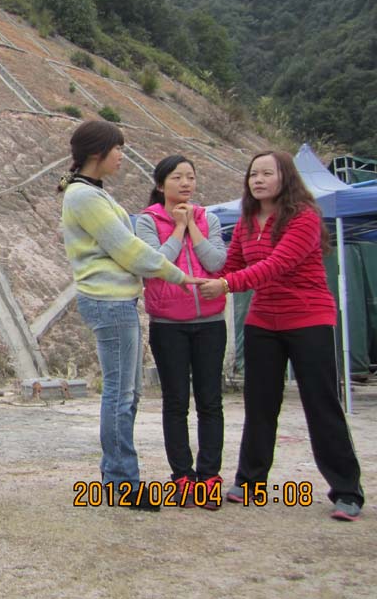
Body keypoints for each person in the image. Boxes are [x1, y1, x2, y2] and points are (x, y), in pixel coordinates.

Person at [198, 151, 365, 521]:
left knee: (321, 405)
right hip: (263, 322)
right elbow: (232, 265)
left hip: (308, 319)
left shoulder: (303, 216)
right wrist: (197, 278)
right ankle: (250, 482)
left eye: (266, 173)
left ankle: (347, 492)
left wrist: (225, 285)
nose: (257, 180)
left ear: (285, 177)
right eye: (253, 174)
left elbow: (275, 265)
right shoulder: (246, 221)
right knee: (259, 404)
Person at [58, 121, 203, 511]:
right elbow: (128, 249)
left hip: (118, 301)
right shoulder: (84, 196)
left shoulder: (93, 192)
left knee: (127, 393)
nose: (122, 156)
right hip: (109, 301)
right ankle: (123, 482)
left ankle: (117, 475)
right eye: (117, 148)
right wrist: (179, 276)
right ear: (97, 153)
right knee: (120, 395)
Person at [134, 155, 227, 507]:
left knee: (210, 401)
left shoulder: (209, 218)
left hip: (210, 323)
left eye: (190, 177)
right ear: (161, 185)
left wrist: (193, 227)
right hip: (168, 324)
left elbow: (216, 262)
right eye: (177, 177)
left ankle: (209, 477)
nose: (185, 183)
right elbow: (155, 264)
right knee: (176, 403)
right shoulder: (147, 220)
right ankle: (183, 478)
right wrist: (176, 228)